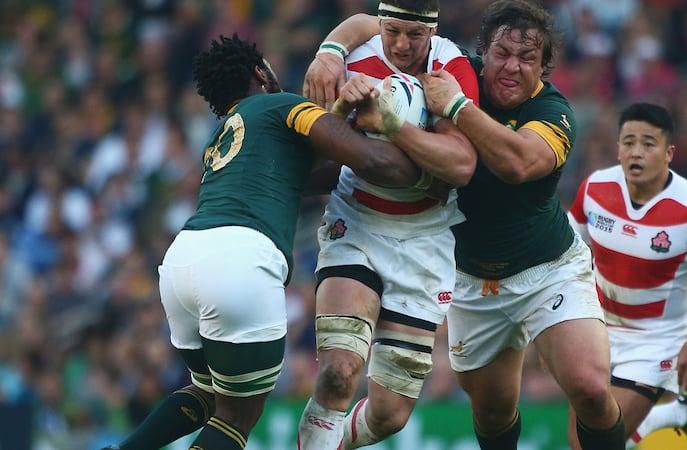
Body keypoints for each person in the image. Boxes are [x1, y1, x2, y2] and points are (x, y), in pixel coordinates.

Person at [303, 1, 627, 449]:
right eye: (502, 54)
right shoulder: (455, 70)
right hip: (473, 283)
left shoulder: (553, 112)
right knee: (493, 415)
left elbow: (516, 162)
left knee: (590, 388)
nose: (512, 67)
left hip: (547, 269)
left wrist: (456, 107)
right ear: (483, 53)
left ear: (544, 69)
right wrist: (331, 51)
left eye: (527, 59)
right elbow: (369, 24)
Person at [99, 33, 425, 450]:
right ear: (260, 71)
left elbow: (314, 178)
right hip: (240, 261)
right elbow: (370, 160)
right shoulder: (283, 106)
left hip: (183, 259)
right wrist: (429, 163)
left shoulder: (225, 135)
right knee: (236, 418)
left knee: (207, 393)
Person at [296, 1, 480, 449]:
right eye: (392, 31)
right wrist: (329, 54)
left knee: (390, 415)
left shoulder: (450, 69)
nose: (401, 45)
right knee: (339, 375)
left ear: (432, 32)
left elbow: (461, 165)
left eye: (414, 35)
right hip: (355, 224)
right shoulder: (354, 54)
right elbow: (310, 151)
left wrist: (391, 124)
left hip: (423, 239)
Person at [566, 102, 687, 450]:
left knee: (595, 444)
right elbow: (567, 254)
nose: (636, 152)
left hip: (657, 342)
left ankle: (670, 412)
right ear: (617, 147)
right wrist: (560, 324)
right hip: (598, 328)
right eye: (628, 142)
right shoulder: (594, 190)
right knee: (579, 439)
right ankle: (677, 414)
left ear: (669, 153)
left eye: (648, 144)